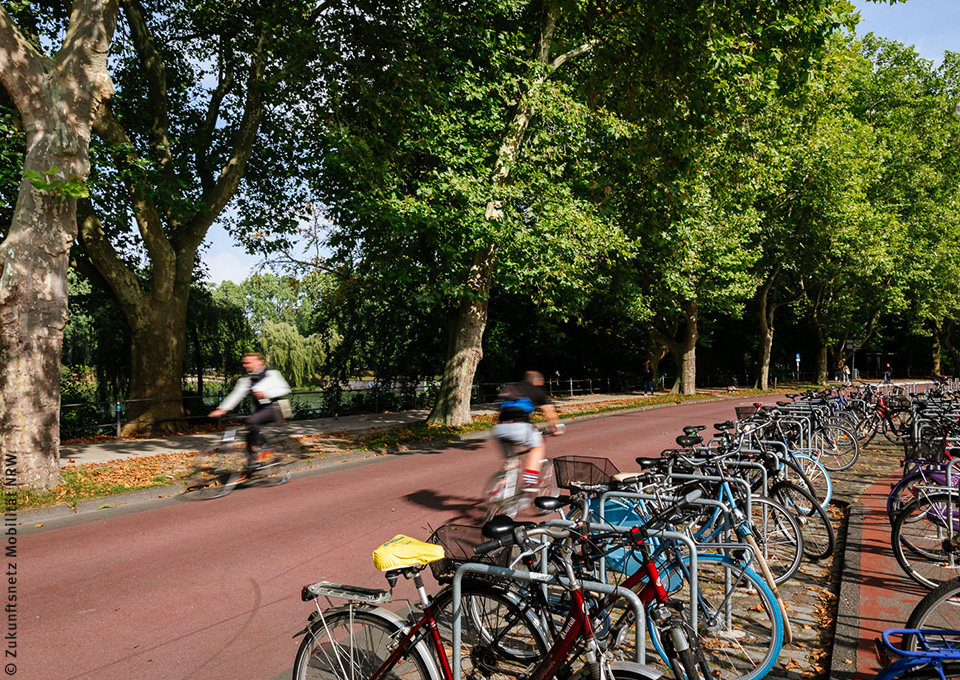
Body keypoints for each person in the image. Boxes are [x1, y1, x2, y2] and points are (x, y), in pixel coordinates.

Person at [209, 352, 291, 470]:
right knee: (248, 438)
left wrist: (266, 393)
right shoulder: (246, 380)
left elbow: (284, 389)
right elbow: (236, 395)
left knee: (252, 421)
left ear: (259, 362)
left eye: (248, 362)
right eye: (244, 363)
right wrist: (222, 409)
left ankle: (266, 447)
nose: (245, 365)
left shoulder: (272, 374)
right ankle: (252, 466)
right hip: (261, 411)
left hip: (275, 409)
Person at [492, 371, 563, 492]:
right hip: (519, 427)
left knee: (512, 461)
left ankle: (500, 487)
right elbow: (549, 412)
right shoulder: (535, 390)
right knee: (538, 445)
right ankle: (530, 481)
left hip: (500, 429)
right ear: (537, 382)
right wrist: (556, 428)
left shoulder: (510, 388)